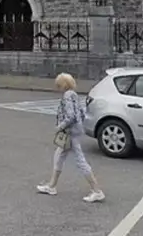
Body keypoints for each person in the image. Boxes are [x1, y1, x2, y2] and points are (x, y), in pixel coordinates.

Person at [37, 73, 105, 203]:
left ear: (62, 85)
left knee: (80, 160)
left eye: (58, 85)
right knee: (59, 156)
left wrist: (60, 127)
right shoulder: (74, 94)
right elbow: (81, 113)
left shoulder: (67, 96)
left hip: (70, 132)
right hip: (75, 131)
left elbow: (71, 116)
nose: (57, 88)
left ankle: (97, 190)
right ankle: (52, 186)